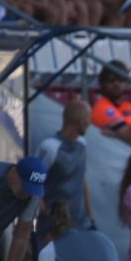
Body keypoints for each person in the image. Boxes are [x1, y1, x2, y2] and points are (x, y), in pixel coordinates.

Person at [35, 99, 94, 232]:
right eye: (88, 119)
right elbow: (34, 184)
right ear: (80, 121)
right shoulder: (49, 148)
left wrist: (90, 218)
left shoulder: (82, 144)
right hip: (54, 227)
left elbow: (82, 180)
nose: (89, 123)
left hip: (80, 225)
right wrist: (46, 217)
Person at [90, 62, 131, 149]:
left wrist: (118, 136)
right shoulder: (102, 107)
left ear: (126, 82)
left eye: (121, 79)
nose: (116, 83)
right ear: (102, 82)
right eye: (111, 79)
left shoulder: (128, 106)